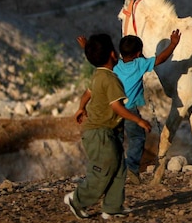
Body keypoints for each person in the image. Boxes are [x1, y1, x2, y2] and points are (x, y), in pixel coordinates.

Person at [75, 30, 181, 185]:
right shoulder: (139, 64)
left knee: (116, 141)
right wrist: (173, 44)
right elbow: (161, 59)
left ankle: (116, 170)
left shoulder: (114, 65)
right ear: (138, 53)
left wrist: (86, 46)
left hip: (112, 111)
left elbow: (98, 61)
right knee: (137, 138)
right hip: (129, 110)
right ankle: (131, 167)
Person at [64, 33, 151, 220]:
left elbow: (87, 93)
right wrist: (138, 120)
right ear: (113, 54)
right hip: (100, 134)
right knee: (103, 171)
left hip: (106, 133)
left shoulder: (97, 75)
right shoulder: (111, 80)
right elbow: (117, 107)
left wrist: (81, 108)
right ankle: (77, 200)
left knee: (119, 168)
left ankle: (112, 207)